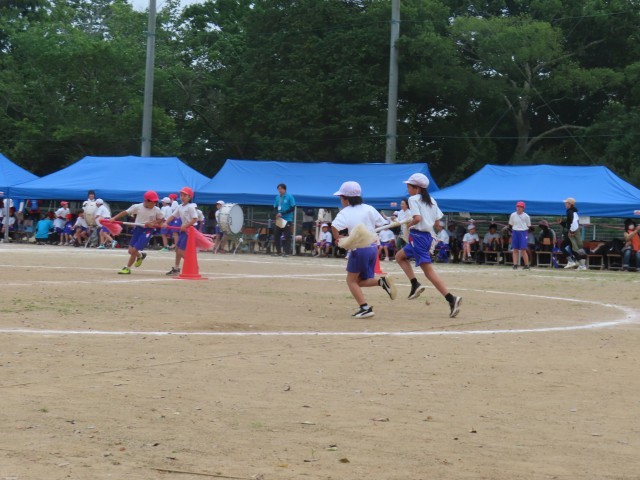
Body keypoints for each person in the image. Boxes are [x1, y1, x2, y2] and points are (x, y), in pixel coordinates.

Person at [394, 173, 461, 318]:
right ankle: (414, 284)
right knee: (399, 256)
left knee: (429, 273)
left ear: (417, 188)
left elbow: (418, 218)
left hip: (418, 237)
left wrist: (408, 225)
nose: (408, 190)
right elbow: (437, 223)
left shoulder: (413, 199)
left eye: (409, 187)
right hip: (426, 237)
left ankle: (451, 299)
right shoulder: (432, 200)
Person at [331, 181, 397, 318]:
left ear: (346, 198)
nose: (340, 200)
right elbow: (383, 223)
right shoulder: (369, 208)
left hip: (359, 249)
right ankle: (382, 282)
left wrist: (338, 237)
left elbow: (334, 226)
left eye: (341, 197)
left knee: (351, 280)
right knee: (360, 281)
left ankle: (364, 308)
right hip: (373, 248)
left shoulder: (345, 212)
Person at [111, 191, 164, 275]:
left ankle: (127, 268)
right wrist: (114, 218)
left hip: (148, 230)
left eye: (155, 202)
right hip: (138, 229)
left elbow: (161, 219)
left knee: (134, 250)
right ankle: (140, 256)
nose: (154, 203)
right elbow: (125, 212)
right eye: (153, 201)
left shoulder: (156, 209)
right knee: (130, 251)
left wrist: (153, 223)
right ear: (146, 201)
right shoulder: (137, 207)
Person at [164, 187, 199, 276]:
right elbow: (173, 216)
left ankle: (192, 265)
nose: (182, 197)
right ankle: (176, 268)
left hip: (189, 231)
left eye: (184, 195)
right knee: (177, 249)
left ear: (189, 197)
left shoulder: (191, 207)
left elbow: (195, 219)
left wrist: (185, 226)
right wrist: (166, 222)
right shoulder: (180, 206)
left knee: (181, 251)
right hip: (184, 231)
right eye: (181, 195)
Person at [560, 197, 586, 270]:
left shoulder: (570, 212)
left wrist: (571, 231)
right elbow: (569, 223)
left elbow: (573, 223)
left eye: (566, 203)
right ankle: (582, 265)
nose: (565, 204)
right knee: (573, 249)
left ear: (569, 204)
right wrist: (562, 223)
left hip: (572, 233)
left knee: (562, 247)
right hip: (573, 231)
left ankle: (571, 261)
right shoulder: (573, 212)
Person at [273, 183, 296, 257]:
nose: (279, 190)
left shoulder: (289, 196)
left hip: (287, 219)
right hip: (279, 219)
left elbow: (293, 208)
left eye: (280, 189)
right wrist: (276, 213)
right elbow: (275, 207)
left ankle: (287, 252)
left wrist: (282, 213)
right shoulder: (277, 197)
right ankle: (279, 252)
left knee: (287, 236)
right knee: (276, 235)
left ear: (284, 189)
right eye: (278, 189)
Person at [509, 201, 531, 270]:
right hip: (515, 232)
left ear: (523, 208)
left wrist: (523, 231)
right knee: (515, 249)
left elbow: (528, 225)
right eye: (518, 206)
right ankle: (515, 264)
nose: (519, 208)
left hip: (523, 232)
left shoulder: (526, 216)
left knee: (523, 249)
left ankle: (526, 265)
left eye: (520, 207)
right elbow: (511, 224)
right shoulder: (513, 215)